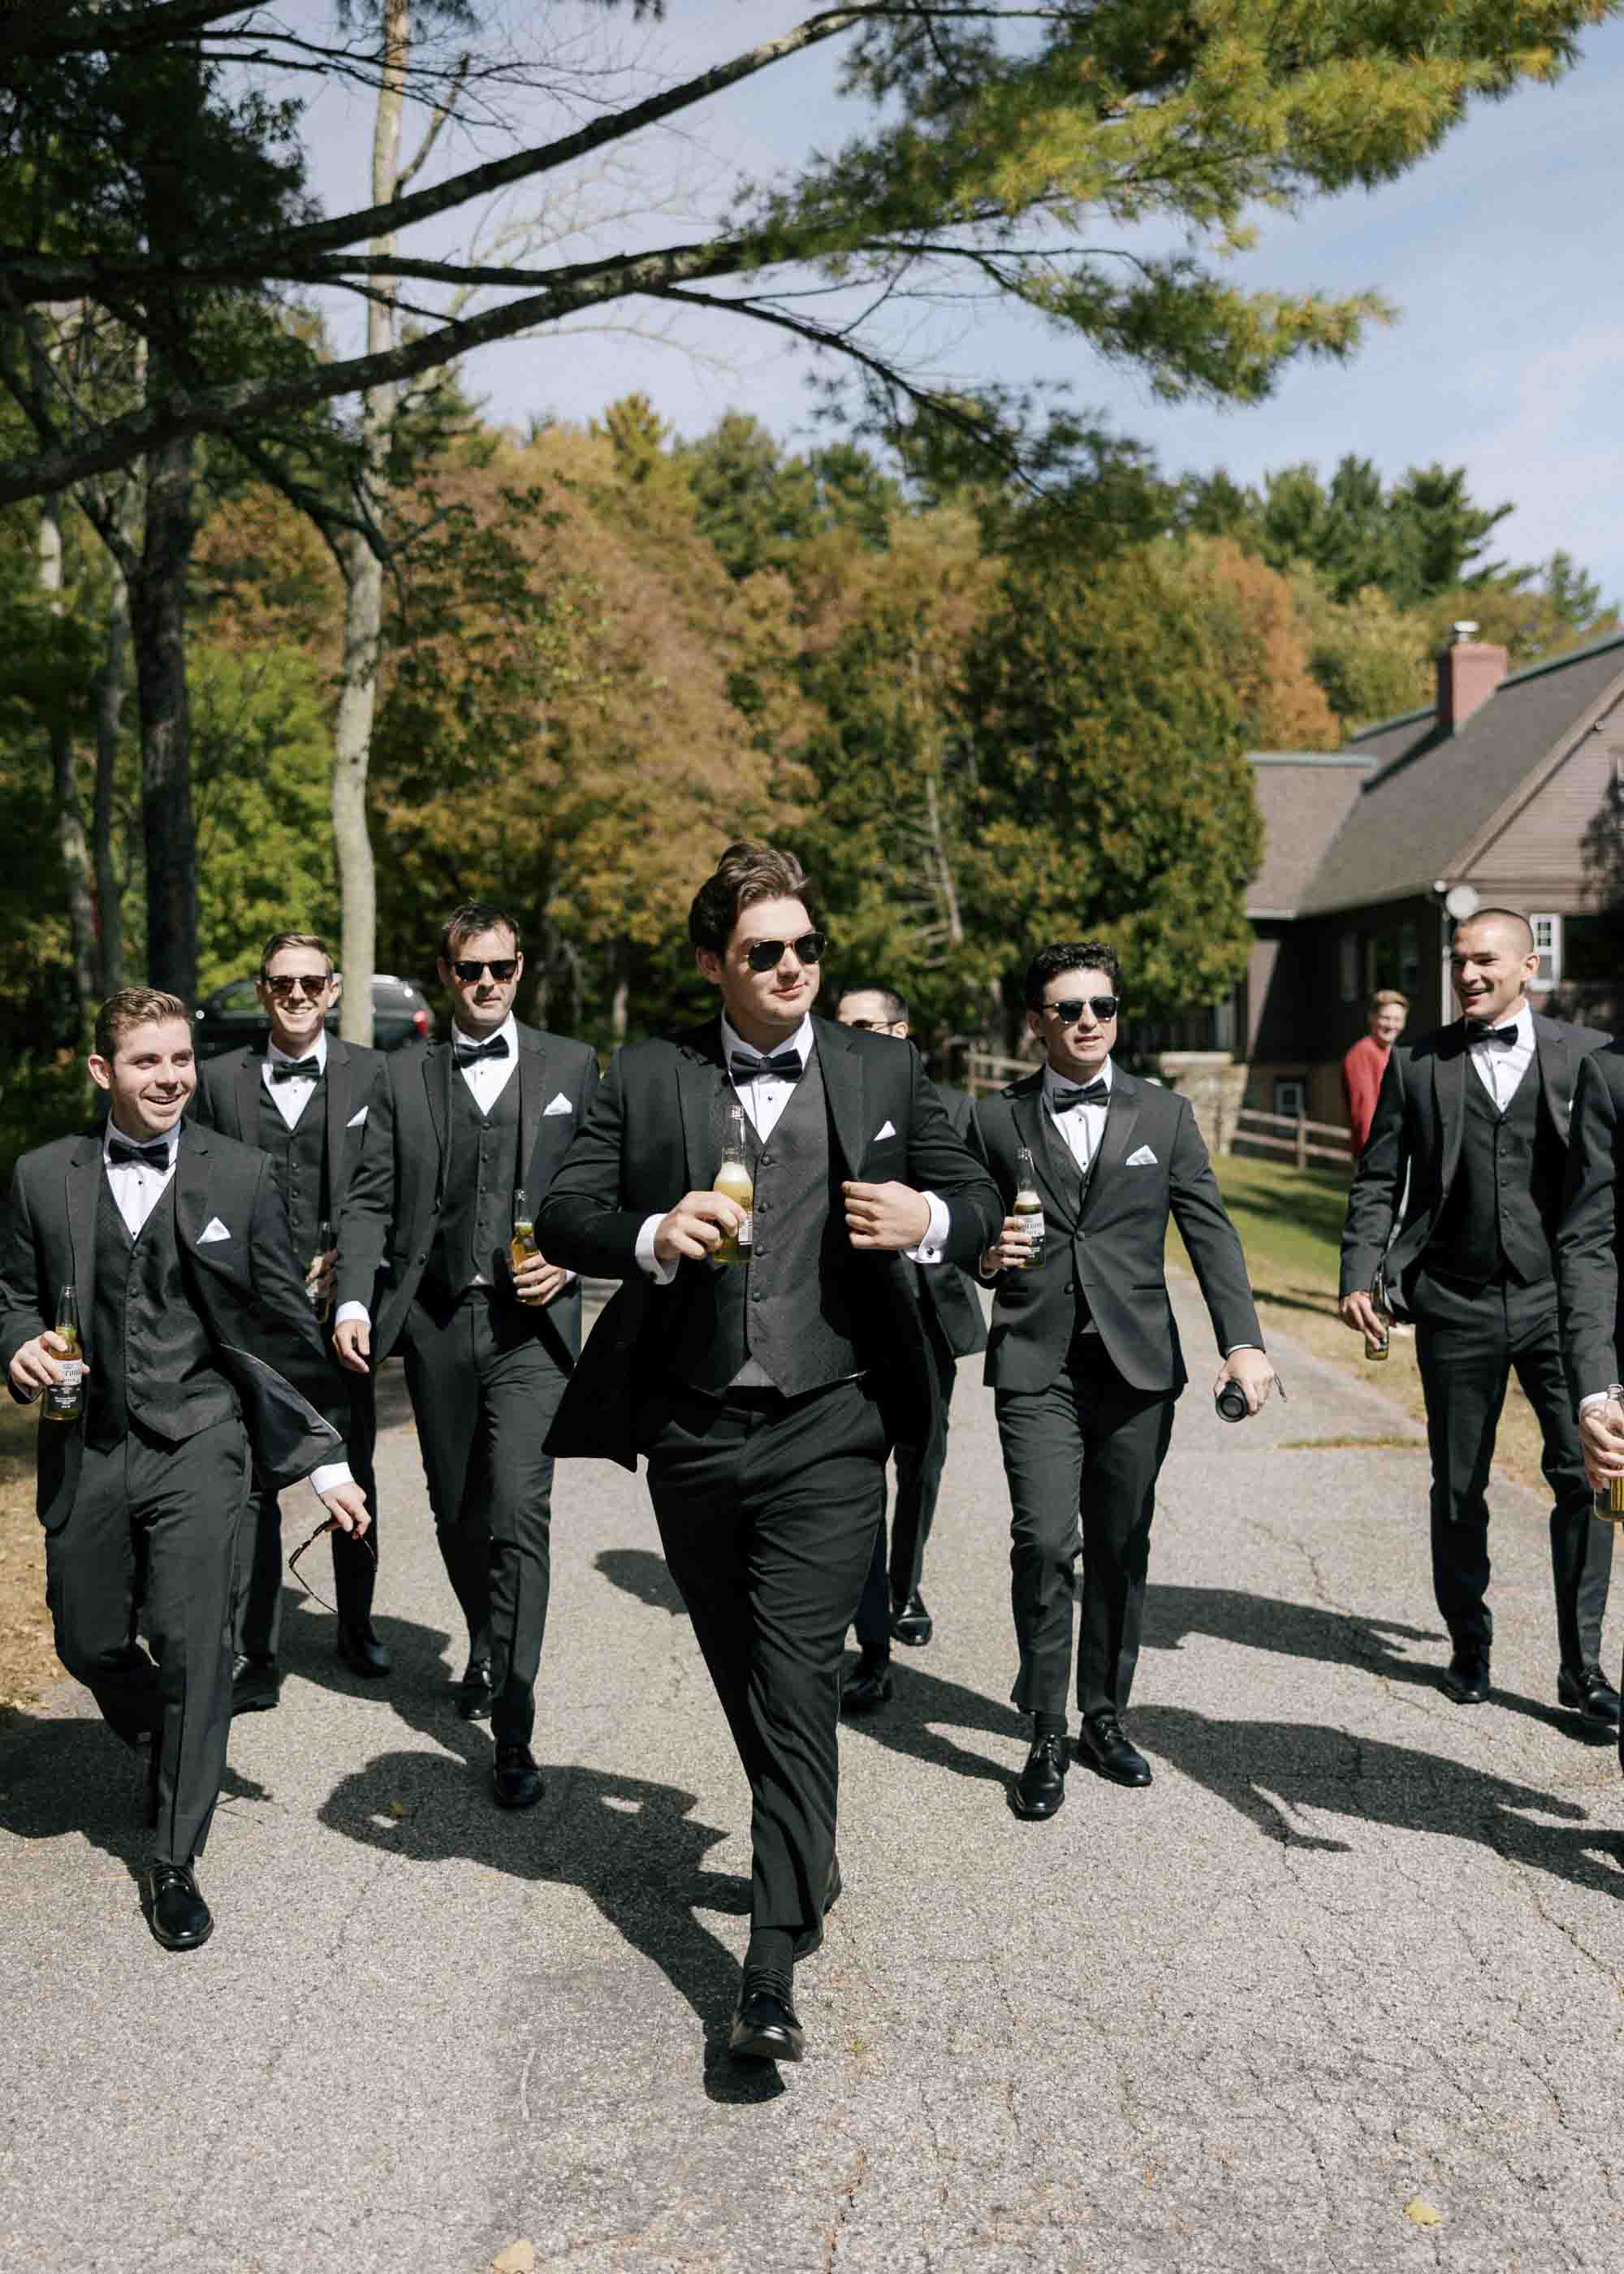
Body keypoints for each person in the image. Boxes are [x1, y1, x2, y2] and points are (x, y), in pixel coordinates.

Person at [535, 842, 1001, 2064]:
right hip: (690, 1428)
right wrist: (650, 1229)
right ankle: (813, 1837)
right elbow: (565, 1209)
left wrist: (932, 1219)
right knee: (748, 1676)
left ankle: (767, 1966)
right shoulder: (645, 1075)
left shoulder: (882, 1066)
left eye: (807, 947)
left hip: (831, 1423)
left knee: (797, 1680)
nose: (793, 967)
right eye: (765, 952)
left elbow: (979, 1197)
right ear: (714, 965)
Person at [0, 988, 367, 1952]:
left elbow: (285, 1328)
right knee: (83, 1636)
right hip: (88, 1436)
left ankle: (172, 1857)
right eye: (146, 1061)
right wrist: (17, 1350)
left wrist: (325, 1461)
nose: (169, 1077)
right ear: (102, 1072)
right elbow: (10, 1295)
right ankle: (167, 1727)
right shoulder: (44, 1177)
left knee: (196, 1642)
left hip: (203, 1438)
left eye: (180, 1060)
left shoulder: (240, 1175)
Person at [974, 943, 1272, 1821]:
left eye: (1100, 1005)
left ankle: (1102, 1716)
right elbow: (959, 1223)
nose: (1086, 1022)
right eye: (1065, 1008)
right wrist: (982, 1255)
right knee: (1040, 1538)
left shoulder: (1164, 1114)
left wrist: (1243, 1343)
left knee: (1118, 1543)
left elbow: (1209, 1233)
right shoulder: (993, 1120)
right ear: (1035, 1021)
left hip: (1137, 1368)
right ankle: (1042, 1723)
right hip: (1035, 1361)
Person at [332, 904, 598, 1809]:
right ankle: (484, 1633)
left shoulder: (571, 1064)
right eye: (467, 970)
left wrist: (573, 1255)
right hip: (440, 1321)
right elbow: (369, 1196)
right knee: (456, 1507)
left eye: (500, 968)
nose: (485, 984)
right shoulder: (401, 1076)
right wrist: (355, 1297)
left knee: (520, 1509)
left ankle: (514, 1730)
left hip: (535, 1329)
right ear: (446, 975)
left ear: (522, 969)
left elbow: (596, 1190)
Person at [1341, 908, 1616, 1727]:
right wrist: (1361, 1266)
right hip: (1453, 1300)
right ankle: (1469, 1643)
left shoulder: (1586, 1057)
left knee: (1584, 1479)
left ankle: (1582, 1668)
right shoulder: (1416, 1061)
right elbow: (1376, 1175)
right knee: (1456, 1485)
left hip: (1557, 1304)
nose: (1466, 974)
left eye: (1483, 960)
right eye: (1457, 960)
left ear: (1525, 966)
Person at [192, 932, 393, 1710]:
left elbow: (382, 1190)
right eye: (283, 983)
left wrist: (353, 1285)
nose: (299, 995)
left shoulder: (375, 1073)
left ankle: (357, 1624)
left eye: (313, 982)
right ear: (261, 988)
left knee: (354, 1465)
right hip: (250, 1314)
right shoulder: (216, 1081)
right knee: (254, 1479)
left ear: (335, 989)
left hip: (344, 1315)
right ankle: (257, 1651)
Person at [833, 983, 987, 1711]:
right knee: (860, 1462)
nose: (856, 1038)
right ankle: (871, 1638)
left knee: (923, 1458)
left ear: (902, 1032)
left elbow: (984, 1209)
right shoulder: (823, 1102)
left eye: (869, 1026)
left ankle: (906, 1582)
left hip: (929, 1312)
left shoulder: (956, 1110)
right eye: (845, 1027)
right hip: (847, 1317)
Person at [1341, 990, 1410, 1160]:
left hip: (1395, 1152)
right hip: (1377, 1155)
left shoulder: (1392, 1054)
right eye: (1385, 1018)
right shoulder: (1361, 1054)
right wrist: (1373, 1155)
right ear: (1372, 1018)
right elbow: (1364, 1110)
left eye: (1397, 1019)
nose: (1391, 1025)